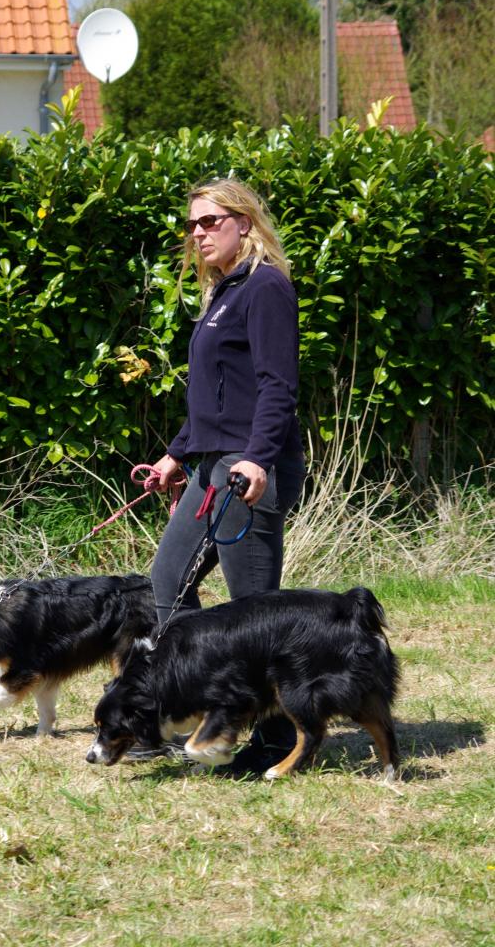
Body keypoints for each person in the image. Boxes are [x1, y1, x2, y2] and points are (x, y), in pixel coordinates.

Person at [149, 177, 306, 774]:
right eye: (192, 224)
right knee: (168, 583)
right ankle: (202, 712)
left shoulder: (265, 287)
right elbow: (213, 397)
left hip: (250, 468)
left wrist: (258, 458)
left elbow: (276, 386)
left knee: (254, 612)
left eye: (211, 221)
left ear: (244, 222)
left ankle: (276, 739)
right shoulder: (223, 290)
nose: (198, 233)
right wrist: (175, 455)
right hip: (214, 465)